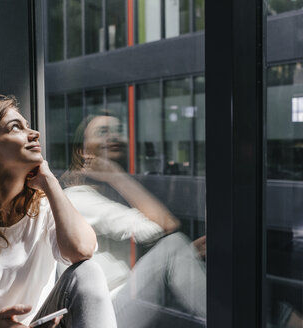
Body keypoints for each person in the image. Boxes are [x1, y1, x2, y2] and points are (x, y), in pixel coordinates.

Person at [0, 95, 117, 328]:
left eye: (28, 126)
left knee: (88, 271)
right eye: (15, 127)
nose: (34, 134)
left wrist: (49, 181)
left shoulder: (45, 208)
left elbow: (81, 250)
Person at [60, 113, 206, 328]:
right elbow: (166, 225)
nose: (114, 136)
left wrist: (186, 257)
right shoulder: (77, 198)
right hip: (103, 315)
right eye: (102, 132)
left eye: (119, 130)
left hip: (121, 302)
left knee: (179, 253)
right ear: (82, 152)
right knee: (174, 245)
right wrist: (115, 175)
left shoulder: (109, 196)